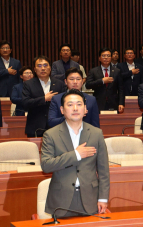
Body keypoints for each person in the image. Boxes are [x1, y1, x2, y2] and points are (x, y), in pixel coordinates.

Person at [40, 89, 110, 217]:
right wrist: (76, 155)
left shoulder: (96, 133)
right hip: (61, 200)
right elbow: (46, 165)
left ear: (85, 109)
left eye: (79, 104)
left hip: (90, 199)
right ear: (62, 110)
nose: (75, 108)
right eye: (70, 105)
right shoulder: (50, 135)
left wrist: (103, 198)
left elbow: (104, 170)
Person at [22, 55, 67, 137]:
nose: (43, 68)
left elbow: (64, 103)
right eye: (39, 66)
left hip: (56, 127)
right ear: (35, 69)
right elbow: (25, 103)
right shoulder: (28, 84)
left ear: (50, 68)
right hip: (35, 126)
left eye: (45, 65)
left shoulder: (59, 84)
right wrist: (44, 99)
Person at [85, 48, 125, 112]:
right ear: (99, 58)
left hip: (113, 103)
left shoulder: (117, 71)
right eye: (103, 56)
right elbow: (88, 85)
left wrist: (121, 103)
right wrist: (102, 81)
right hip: (98, 102)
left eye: (108, 56)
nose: (106, 58)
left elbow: (121, 89)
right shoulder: (93, 71)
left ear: (111, 58)